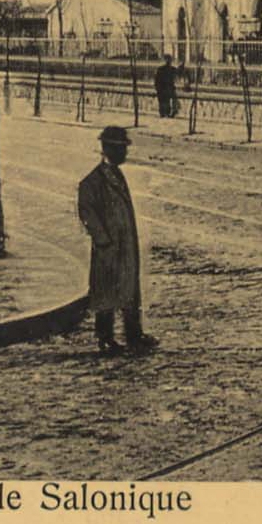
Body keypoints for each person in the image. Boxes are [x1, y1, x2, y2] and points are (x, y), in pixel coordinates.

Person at [78, 125, 157, 355]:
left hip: (124, 244)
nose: (125, 153)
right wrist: (103, 240)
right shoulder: (93, 181)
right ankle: (105, 337)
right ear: (108, 149)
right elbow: (87, 212)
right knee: (107, 293)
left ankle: (134, 334)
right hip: (109, 247)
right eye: (121, 149)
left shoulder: (117, 175)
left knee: (130, 289)